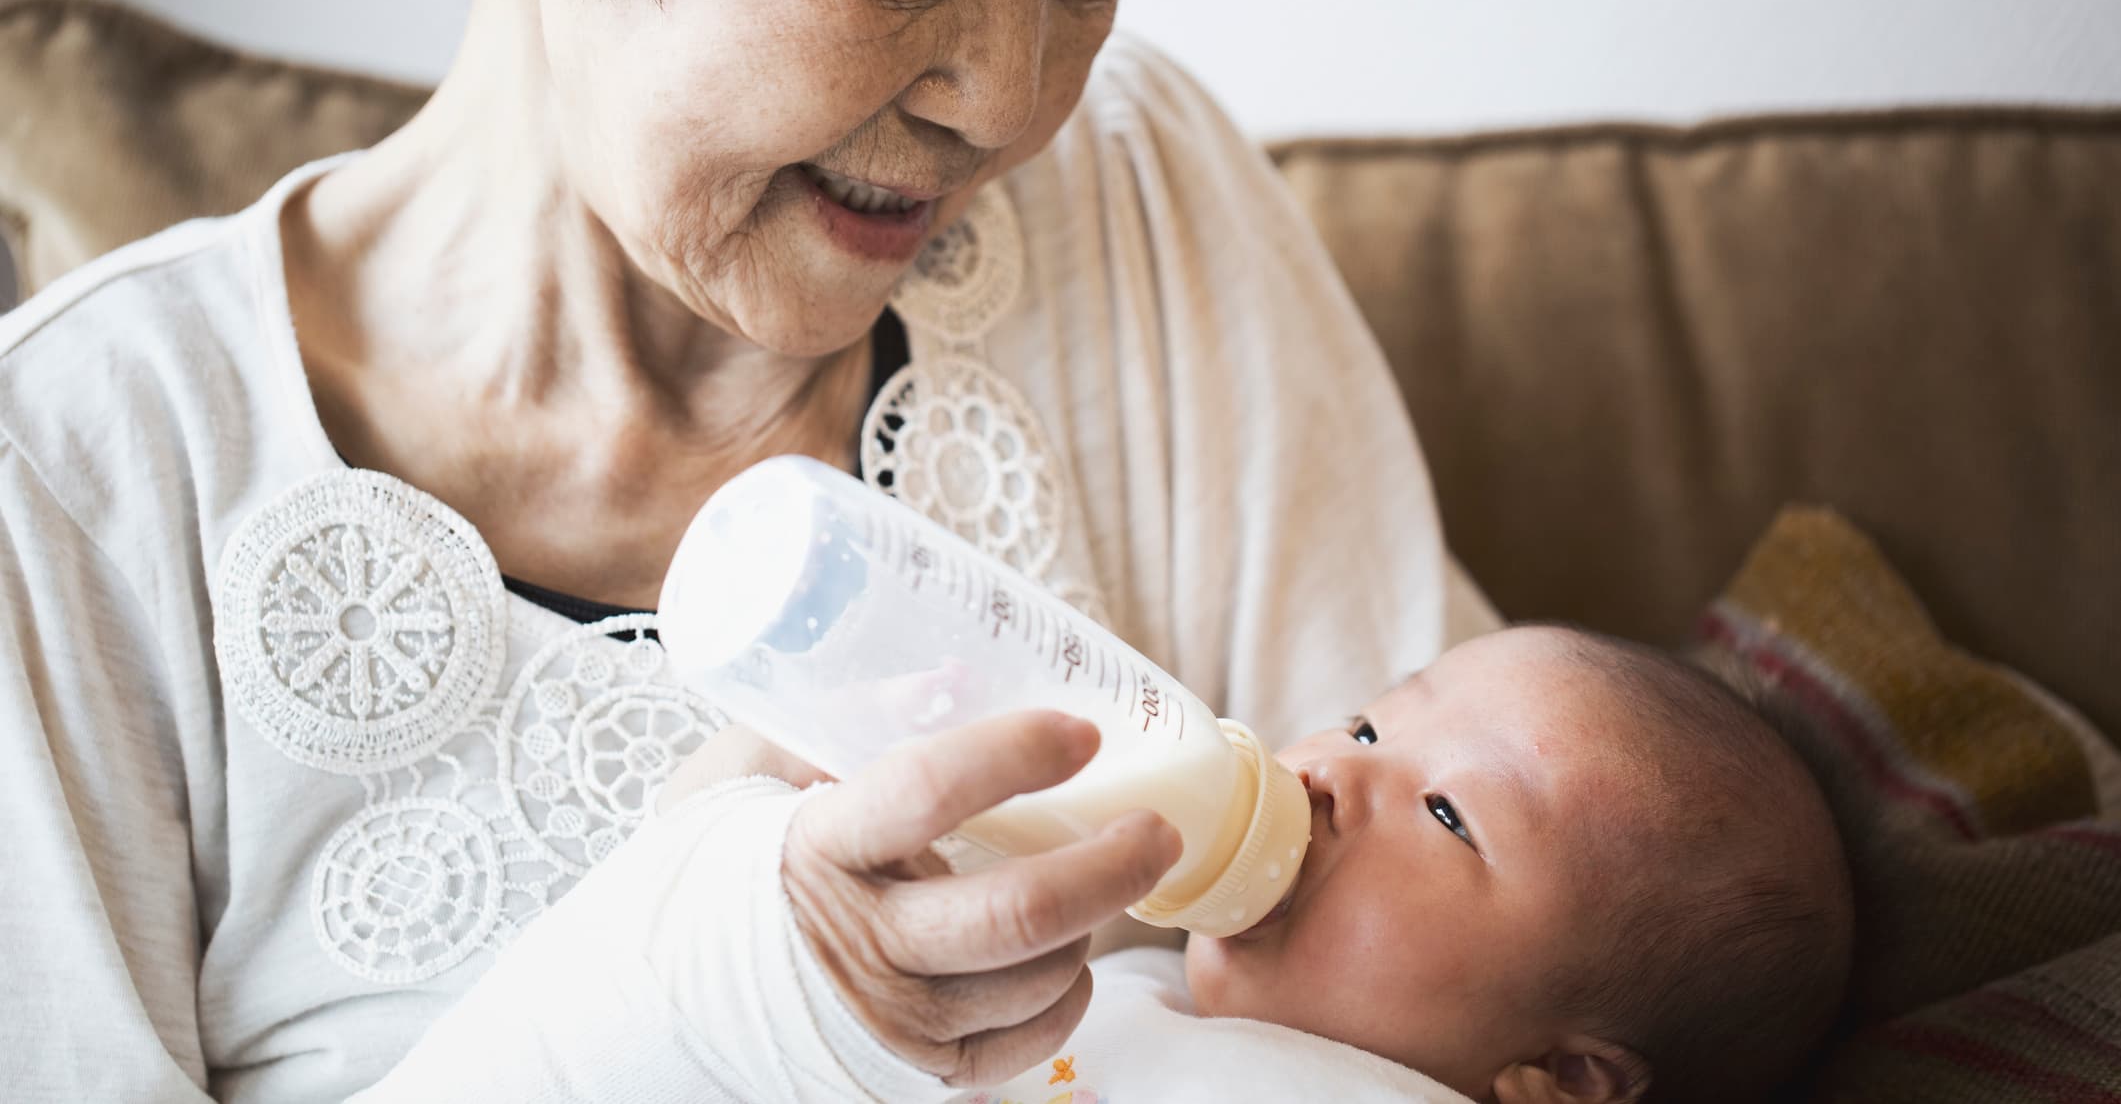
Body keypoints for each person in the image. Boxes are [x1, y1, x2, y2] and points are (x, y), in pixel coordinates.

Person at [0, 0, 1499, 1099]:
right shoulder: (73, 482)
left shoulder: (1140, 202)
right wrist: (695, 994)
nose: (1012, 97)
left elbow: (1541, 953)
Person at [364, 625, 1855, 1104]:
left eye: (1449, 815)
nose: (1324, 768)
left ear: (1560, 1079)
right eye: (1363, 719)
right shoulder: (1115, 971)